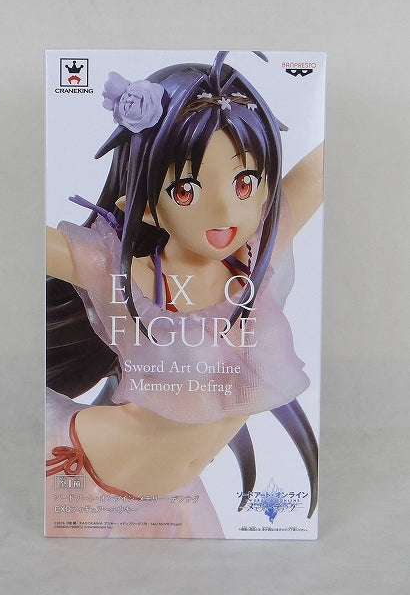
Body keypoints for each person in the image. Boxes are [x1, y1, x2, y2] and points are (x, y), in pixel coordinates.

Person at [45, 51, 323, 538]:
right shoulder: (121, 274)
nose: (224, 211)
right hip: (75, 470)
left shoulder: (257, 258)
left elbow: (321, 169)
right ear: (143, 204)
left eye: (245, 182)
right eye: (187, 190)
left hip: (173, 498)